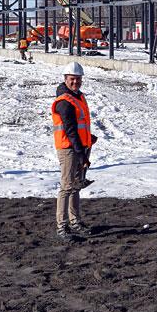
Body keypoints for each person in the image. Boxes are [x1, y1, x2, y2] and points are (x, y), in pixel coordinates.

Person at [50, 61, 95, 242]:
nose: (75, 82)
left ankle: (75, 221)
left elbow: (79, 126)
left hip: (79, 146)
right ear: (65, 79)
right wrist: (82, 153)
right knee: (67, 187)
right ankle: (62, 226)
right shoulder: (65, 102)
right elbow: (70, 130)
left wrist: (88, 139)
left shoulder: (77, 97)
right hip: (69, 149)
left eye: (78, 79)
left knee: (76, 186)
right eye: (72, 79)